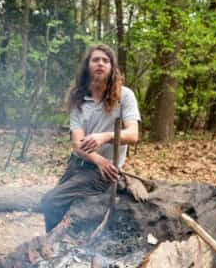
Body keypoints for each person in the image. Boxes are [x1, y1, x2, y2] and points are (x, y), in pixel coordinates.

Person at [40, 44, 141, 232]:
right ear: (88, 66)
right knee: (54, 205)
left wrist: (104, 137)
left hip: (105, 172)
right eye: (95, 60)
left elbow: (133, 135)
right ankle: (54, 244)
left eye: (106, 60)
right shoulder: (79, 98)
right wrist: (98, 159)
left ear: (112, 68)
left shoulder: (125, 95)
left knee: (50, 201)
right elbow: (77, 144)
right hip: (79, 164)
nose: (100, 64)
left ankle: (57, 247)